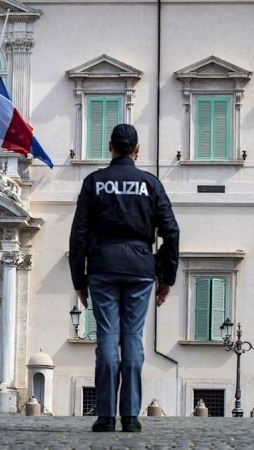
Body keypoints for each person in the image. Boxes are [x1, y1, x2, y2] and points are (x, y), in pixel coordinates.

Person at [68, 124, 179, 433]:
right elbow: (171, 231)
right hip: (140, 267)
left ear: (110, 146)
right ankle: (129, 417)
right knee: (132, 339)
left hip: (102, 265)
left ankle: (105, 415)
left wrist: (80, 279)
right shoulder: (150, 184)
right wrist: (166, 276)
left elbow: (78, 235)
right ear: (137, 149)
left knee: (106, 338)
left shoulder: (94, 183)